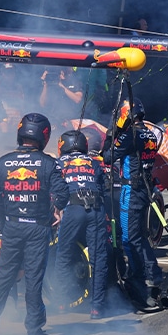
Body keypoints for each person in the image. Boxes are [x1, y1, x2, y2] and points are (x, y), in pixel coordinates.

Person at [0, 113, 68, 335]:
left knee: (3, 278)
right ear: (44, 136)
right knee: (33, 280)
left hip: (12, 227)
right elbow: (63, 194)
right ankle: (34, 333)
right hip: (38, 229)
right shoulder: (49, 163)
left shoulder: (2, 162)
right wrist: (55, 211)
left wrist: (3, 217)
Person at [101, 98, 162, 313]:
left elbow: (107, 157)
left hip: (132, 191)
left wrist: (113, 133)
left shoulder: (130, 135)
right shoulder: (150, 133)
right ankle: (154, 275)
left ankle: (136, 281)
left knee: (128, 238)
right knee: (141, 236)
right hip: (146, 190)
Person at [54, 130, 108, 319]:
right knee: (98, 258)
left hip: (73, 209)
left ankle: (61, 301)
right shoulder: (95, 162)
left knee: (63, 254)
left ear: (62, 146)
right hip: (96, 208)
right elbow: (102, 187)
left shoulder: (58, 163)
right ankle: (97, 307)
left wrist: (56, 209)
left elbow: (55, 190)